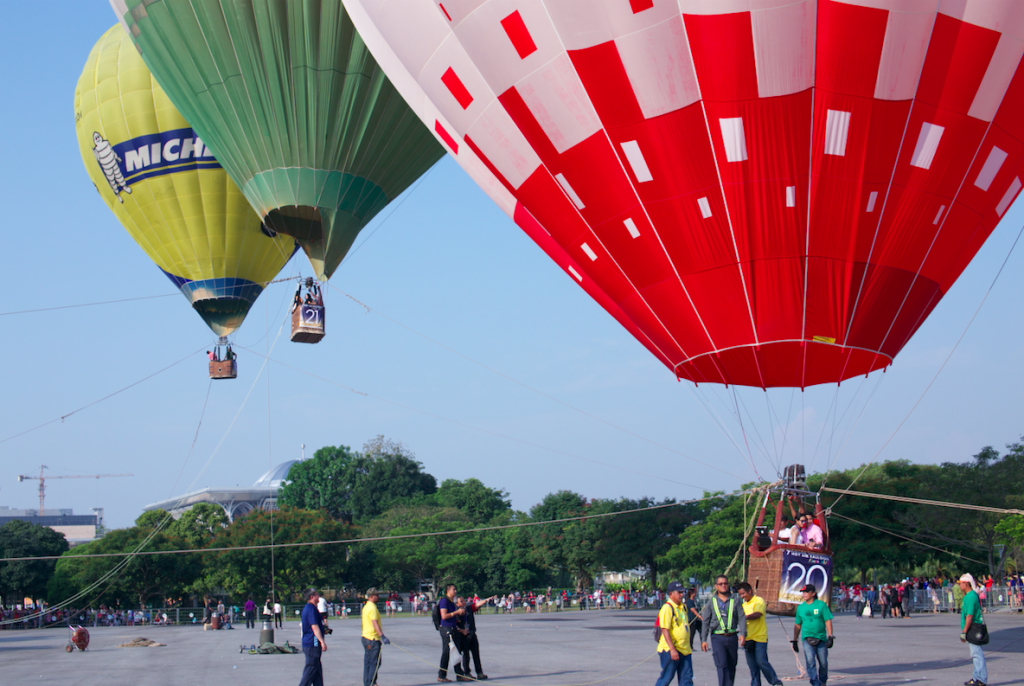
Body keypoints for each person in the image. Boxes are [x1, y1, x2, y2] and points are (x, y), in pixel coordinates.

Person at [701, 575, 746, 686]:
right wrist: (703, 639)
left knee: (731, 666)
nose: (723, 586)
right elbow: (705, 621)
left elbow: (741, 617)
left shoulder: (735, 600)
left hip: (732, 637)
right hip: (718, 637)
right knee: (722, 665)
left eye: (725, 583)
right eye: (720, 584)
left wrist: (743, 634)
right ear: (716, 586)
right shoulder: (711, 602)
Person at [737, 582, 782, 686]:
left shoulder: (759, 601)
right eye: (740, 594)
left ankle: (775, 682)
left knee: (761, 661)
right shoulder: (743, 605)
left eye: (743, 593)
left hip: (759, 638)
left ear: (750, 591)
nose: (742, 596)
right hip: (748, 638)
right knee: (752, 666)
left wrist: (745, 617)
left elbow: (758, 614)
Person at [792, 584, 833, 686]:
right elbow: (797, 624)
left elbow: (827, 620)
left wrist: (830, 636)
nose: (804, 594)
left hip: (821, 638)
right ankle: (815, 682)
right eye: (803, 592)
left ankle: (823, 681)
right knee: (810, 661)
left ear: (813, 593)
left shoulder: (821, 605)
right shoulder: (800, 608)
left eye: (806, 592)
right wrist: (795, 640)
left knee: (823, 663)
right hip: (807, 638)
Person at [656, 581, 694, 686]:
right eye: (679, 592)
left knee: (686, 679)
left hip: (685, 649)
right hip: (671, 649)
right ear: (671, 594)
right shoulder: (667, 608)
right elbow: (665, 630)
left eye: (683, 592)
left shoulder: (683, 607)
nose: (682, 595)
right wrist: (672, 649)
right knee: (666, 678)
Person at [457, 594, 495, 681]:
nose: (464, 602)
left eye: (464, 600)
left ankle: (479, 672)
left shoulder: (469, 608)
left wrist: (486, 600)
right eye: (461, 601)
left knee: (476, 654)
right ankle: (467, 672)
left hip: (472, 633)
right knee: (466, 656)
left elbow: (477, 604)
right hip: (464, 636)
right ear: (457, 604)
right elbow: (455, 625)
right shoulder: (457, 612)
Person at [958, 574, 987, 686]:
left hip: (973, 627)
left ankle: (981, 679)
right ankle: (976, 677)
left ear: (966, 583)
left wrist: (964, 631)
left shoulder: (971, 596)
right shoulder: (968, 595)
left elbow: (969, 615)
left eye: (960, 583)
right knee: (975, 653)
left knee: (977, 654)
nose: (959, 585)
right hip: (971, 627)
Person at [438, 584, 467, 682]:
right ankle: (441, 675)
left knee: (456, 652)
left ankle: (459, 675)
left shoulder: (451, 602)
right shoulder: (444, 601)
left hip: (453, 628)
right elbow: (444, 616)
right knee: (446, 652)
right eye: (454, 589)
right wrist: (456, 612)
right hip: (446, 629)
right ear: (448, 590)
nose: (455, 591)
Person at [298, 588, 327, 686]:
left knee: (317, 670)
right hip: (312, 643)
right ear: (312, 597)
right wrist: (322, 641)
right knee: (311, 669)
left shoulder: (312, 608)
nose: (318, 596)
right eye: (317, 594)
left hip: (311, 643)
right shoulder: (310, 609)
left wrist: (324, 630)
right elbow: (314, 627)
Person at [361, 589, 390, 686]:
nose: (378, 596)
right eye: (377, 595)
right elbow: (374, 623)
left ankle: (367, 683)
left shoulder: (366, 607)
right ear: (371, 596)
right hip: (372, 639)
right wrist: (382, 636)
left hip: (366, 637)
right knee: (375, 662)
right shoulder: (372, 608)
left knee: (368, 662)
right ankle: (372, 683)